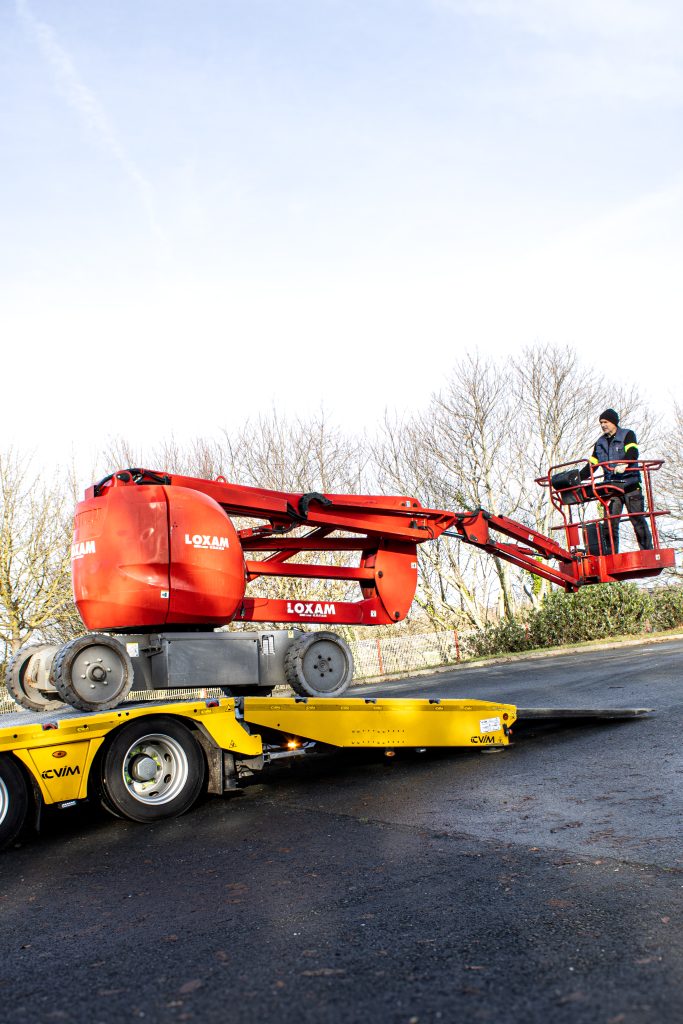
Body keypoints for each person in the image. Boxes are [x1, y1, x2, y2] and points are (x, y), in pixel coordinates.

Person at [581, 408, 653, 552]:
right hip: (612, 488)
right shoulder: (600, 442)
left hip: (630, 485)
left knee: (637, 519)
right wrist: (577, 478)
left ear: (614, 422)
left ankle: (647, 551)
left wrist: (625, 463)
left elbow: (633, 451)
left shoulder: (627, 434)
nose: (603, 425)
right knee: (610, 522)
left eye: (605, 422)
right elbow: (592, 464)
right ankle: (612, 554)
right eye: (601, 422)